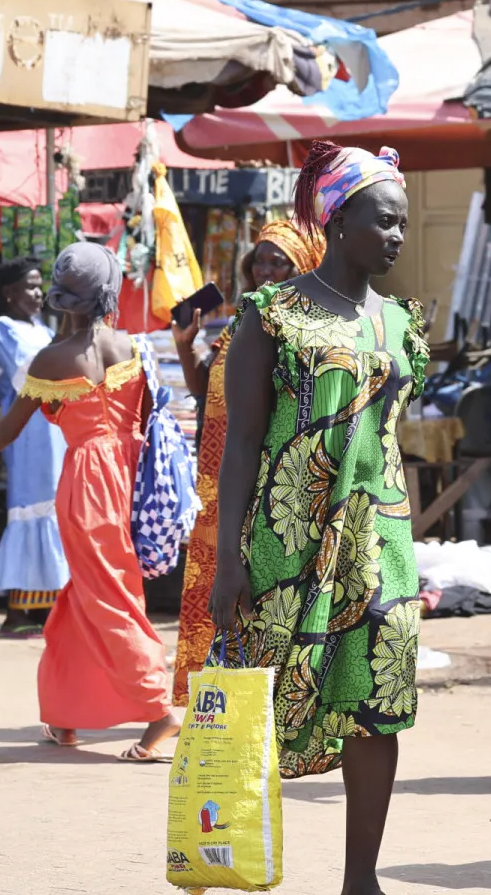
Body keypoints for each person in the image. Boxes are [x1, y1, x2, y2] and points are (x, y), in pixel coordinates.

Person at [208, 141, 427, 895]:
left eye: (404, 224)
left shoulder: (401, 323)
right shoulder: (272, 314)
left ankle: (360, 878)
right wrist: (228, 558)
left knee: (379, 701)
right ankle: (234, 860)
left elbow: (390, 437)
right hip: (284, 538)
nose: (398, 237)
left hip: (379, 540)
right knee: (266, 704)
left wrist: (410, 536)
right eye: (385, 222)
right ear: (338, 221)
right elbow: (241, 441)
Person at [0, 241, 181, 760]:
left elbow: (7, 430)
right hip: (124, 477)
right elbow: (142, 419)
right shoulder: (131, 348)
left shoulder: (52, 359)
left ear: (61, 298)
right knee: (81, 600)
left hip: (83, 481)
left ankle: (159, 711)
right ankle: (65, 716)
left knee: (108, 597)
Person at [169, 218, 323, 705]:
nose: (266, 269)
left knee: (253, 591)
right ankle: (218, 703)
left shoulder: (299, 327)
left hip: (260, 480)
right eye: (260, 259)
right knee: (216, 581)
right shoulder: (244, 319)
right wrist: (184, 342)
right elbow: (206, 387)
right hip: (219, 479)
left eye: (280, 261)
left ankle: (258, 705)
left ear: (306, 266)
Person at [0, 258, 69, 637]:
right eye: (30, 287)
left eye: (40, 287)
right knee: (30, 507)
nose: (38, 294)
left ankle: (49, 604)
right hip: (26, 432)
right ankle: (18, 610)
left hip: (54, 431)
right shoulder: (1, 328)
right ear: (9, 293)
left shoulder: (43, 328)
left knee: (54, 507)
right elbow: (27, 374)